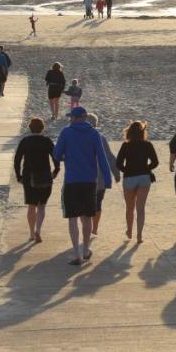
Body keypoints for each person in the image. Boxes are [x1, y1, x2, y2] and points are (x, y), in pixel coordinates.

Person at [53, 107, 113, 266]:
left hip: (72, 180)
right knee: (87, 217)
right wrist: (107, 179)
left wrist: (67, 156)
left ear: (76, 118)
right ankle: (86, 249)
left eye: (71, 117)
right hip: (89, 182)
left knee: (72, 218)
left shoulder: (66, 132)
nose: (69, 119)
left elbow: (56, 155)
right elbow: (102, 158)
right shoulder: (94, 134)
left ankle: (76, 254)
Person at [14, 117, 60, 242]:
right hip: (45, 174)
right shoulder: (46, 141)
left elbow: (17, 159)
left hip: (29, 176)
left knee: (31, 205)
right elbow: (55, 157)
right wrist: (56, 170)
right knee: (42, 205)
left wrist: (18, 176)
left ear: (30, 128)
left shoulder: (25, 141)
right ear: (42, 128)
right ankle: (38, 230)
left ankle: (31, 233)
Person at [116, 121, 159, 243]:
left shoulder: (125, 145)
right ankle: (139, 235)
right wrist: (146, 168)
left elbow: (118, 163)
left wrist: (127, 170)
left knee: (130, 207)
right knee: (141, 208)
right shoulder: (147, 145)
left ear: (129, 132)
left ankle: (129, 231)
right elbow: (155, 162)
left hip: (129, 178)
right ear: (142, 132)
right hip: (144, 178)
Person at [86, 112, 119, 237]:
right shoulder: (101, 137)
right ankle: (94, 228)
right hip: (100, 179)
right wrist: (116, 173)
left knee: (86, 204)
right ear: (96, 124)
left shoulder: (79, 136)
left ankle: (87, 227)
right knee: (97, 204)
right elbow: (109, 157)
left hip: (84, 178)